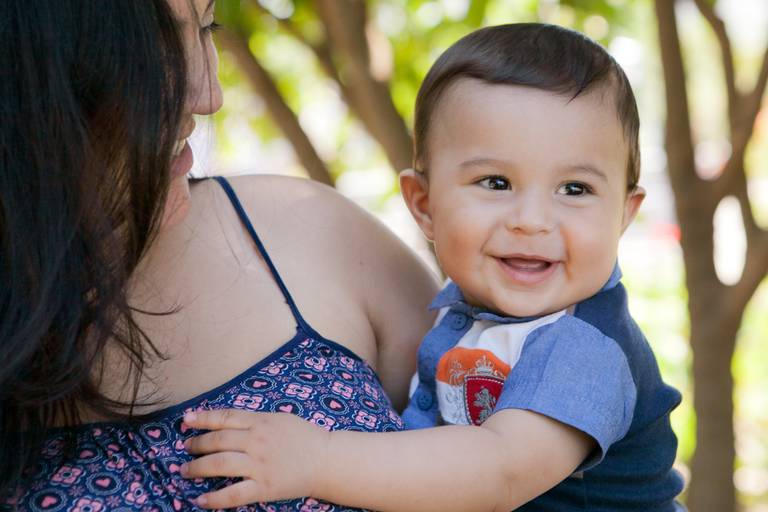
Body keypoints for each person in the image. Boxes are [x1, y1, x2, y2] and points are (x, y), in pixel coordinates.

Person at [179, 23, 686, 511]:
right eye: (495, 182)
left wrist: (317, 457)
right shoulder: (471, 309)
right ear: (423, 205)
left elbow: (499, 472)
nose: (532, 221)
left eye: (575, 189)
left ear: (624, 212)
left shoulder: (584, 347)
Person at [0, 0, 439, 510]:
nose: (209, 94)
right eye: (156, 46)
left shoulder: (310, 231)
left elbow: (510, 452)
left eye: (209, 26)